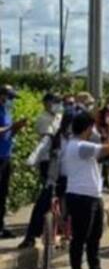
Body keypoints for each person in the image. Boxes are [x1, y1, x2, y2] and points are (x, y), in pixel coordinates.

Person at [60, 111, 109, 269]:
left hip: (92, 195)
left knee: (95, 235)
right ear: (87, 128)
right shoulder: (79, 146)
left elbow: (102, 154)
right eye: (92, 127)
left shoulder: (81, 145)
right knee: (80, 236)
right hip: (80, 196)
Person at [17, 93, 63, 250]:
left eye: (59, 102)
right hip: (48, 161)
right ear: (46, 103)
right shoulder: (44, 119)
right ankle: (31, 235)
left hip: (60, 160)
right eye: (54, 102)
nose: (57, 105)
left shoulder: (59, 117)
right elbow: (46, 141)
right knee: (46, 197)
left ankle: (60, 230)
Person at [0, 84, 27, 238]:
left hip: (5, 156)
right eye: (9, 97)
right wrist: (11, 127)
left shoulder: (7, 111)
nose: (11, 101)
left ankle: (1, 226)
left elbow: (8, 133)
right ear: (1, 95)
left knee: (3, 194)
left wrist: (17, 127)